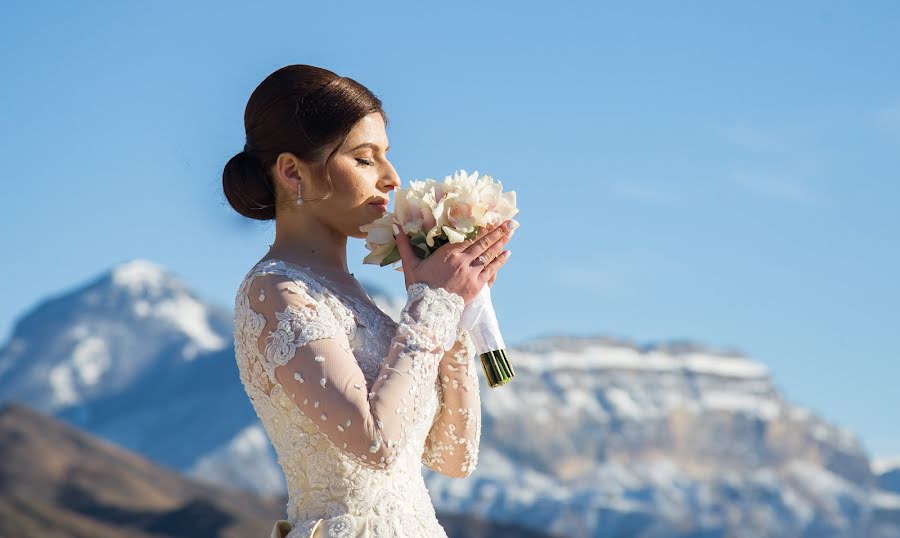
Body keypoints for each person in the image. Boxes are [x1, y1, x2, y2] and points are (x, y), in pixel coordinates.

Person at [222, 65, 514, 538]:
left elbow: (454, 457)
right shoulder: (274, 292)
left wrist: (455, 310)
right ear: (293, 172)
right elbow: (376, 445)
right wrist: (432, 306)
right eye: (364, 159)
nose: (392, 178)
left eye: (387, 157)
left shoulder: (356, 300)